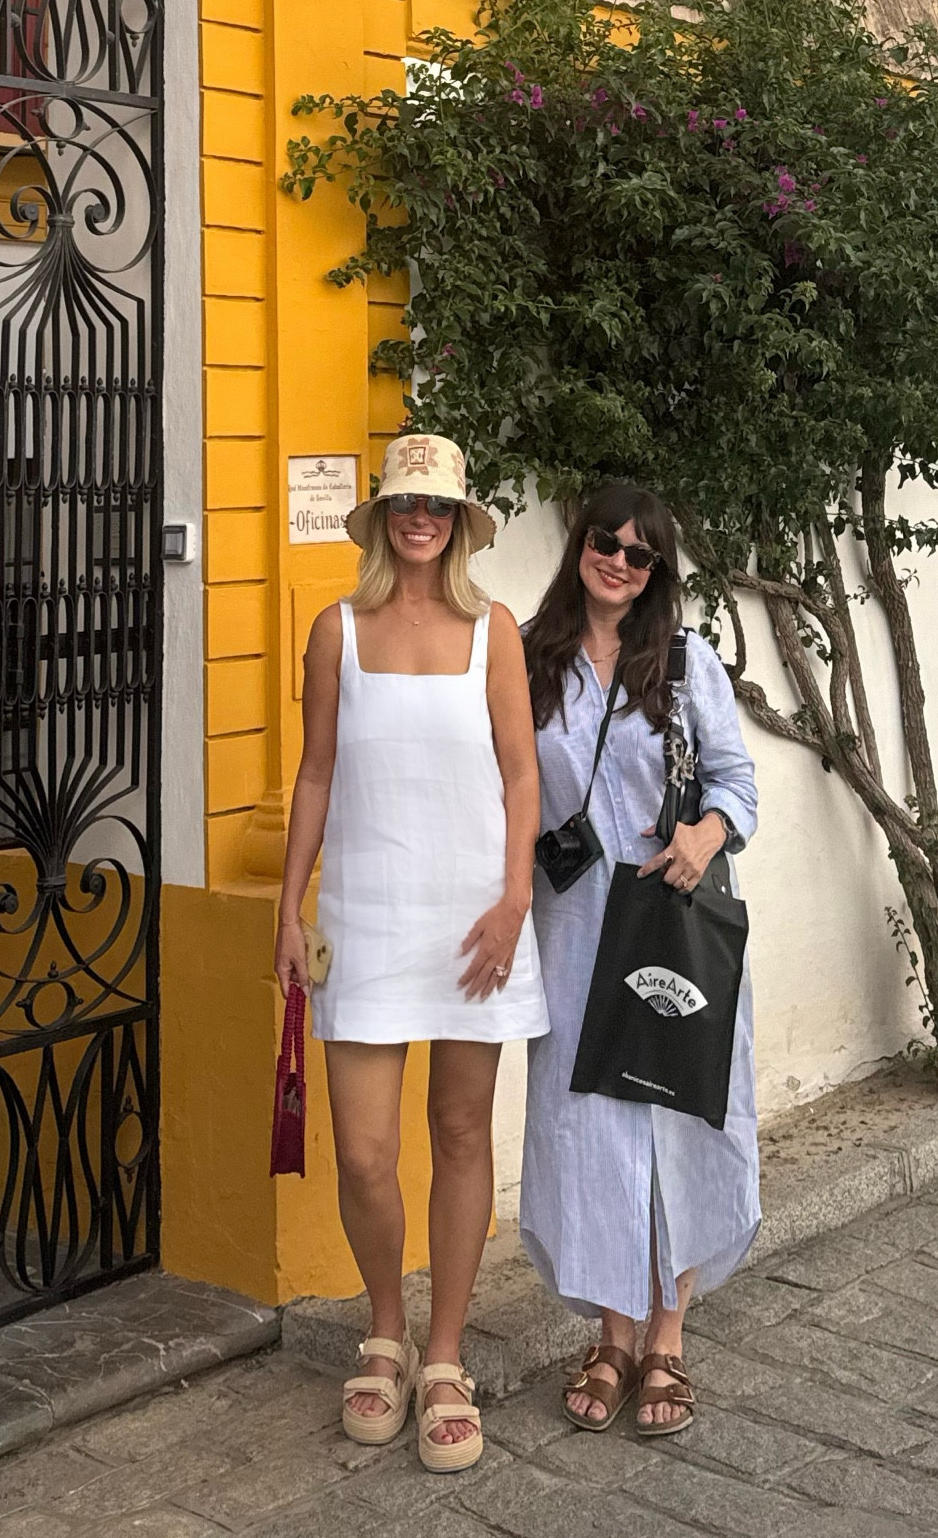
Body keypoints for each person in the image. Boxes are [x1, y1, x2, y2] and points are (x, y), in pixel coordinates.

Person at [274, 433, 547, 1473]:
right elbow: (314, 775)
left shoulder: (497, 632)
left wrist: (516, 895)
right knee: (368, 1151)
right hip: (368, 912)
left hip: (475, 915)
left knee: (463, 1127)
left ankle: (444, 1354)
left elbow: (523, 775)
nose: (419, 517)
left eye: (436, 503)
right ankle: (383, 1324)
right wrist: (288, 905)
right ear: (386, 517)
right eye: (404, 502)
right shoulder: (334, 629)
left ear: (460, 521)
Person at [520, 482, 759, 1438]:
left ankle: (666, 1339)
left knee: (676, 1115)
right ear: (578, 543)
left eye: (640, 551)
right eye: (604, 540)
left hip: (667, 922)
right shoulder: (530, 657)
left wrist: (704, 837)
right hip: (574, 932)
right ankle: (611, 1335)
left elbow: (740, 783)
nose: (619, 559)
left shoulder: (687, 663)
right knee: (592, 1125)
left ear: (658, 569)